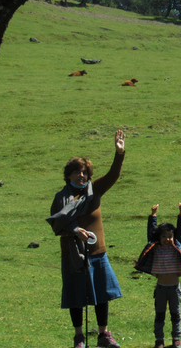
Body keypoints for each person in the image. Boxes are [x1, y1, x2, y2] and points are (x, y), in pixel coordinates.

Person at [47, 130, 127, 348]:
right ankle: (79, 337)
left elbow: (113, 175)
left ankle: (103, 335)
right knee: (76, 295)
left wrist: (119, 153)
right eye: (76, 172)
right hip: (73, 254)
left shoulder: (95, 190)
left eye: (84, 172)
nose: (80, 176)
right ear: (69, 175)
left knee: (102, 294)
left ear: (89, 174)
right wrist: (75, 230)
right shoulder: (61, 197)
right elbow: (57, 223)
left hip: (97, 251)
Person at [134, 203, 181, 348]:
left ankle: (176, 340)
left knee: (175, 315)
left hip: (174, 289)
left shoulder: (176, 246)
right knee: (160, 315)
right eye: (164, 236)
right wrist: (153, 215)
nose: (167, 239)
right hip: (160, 289)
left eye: (170, 236)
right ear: (158, 238)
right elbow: (151, 232)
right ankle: (159, 340)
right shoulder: (156, 247)